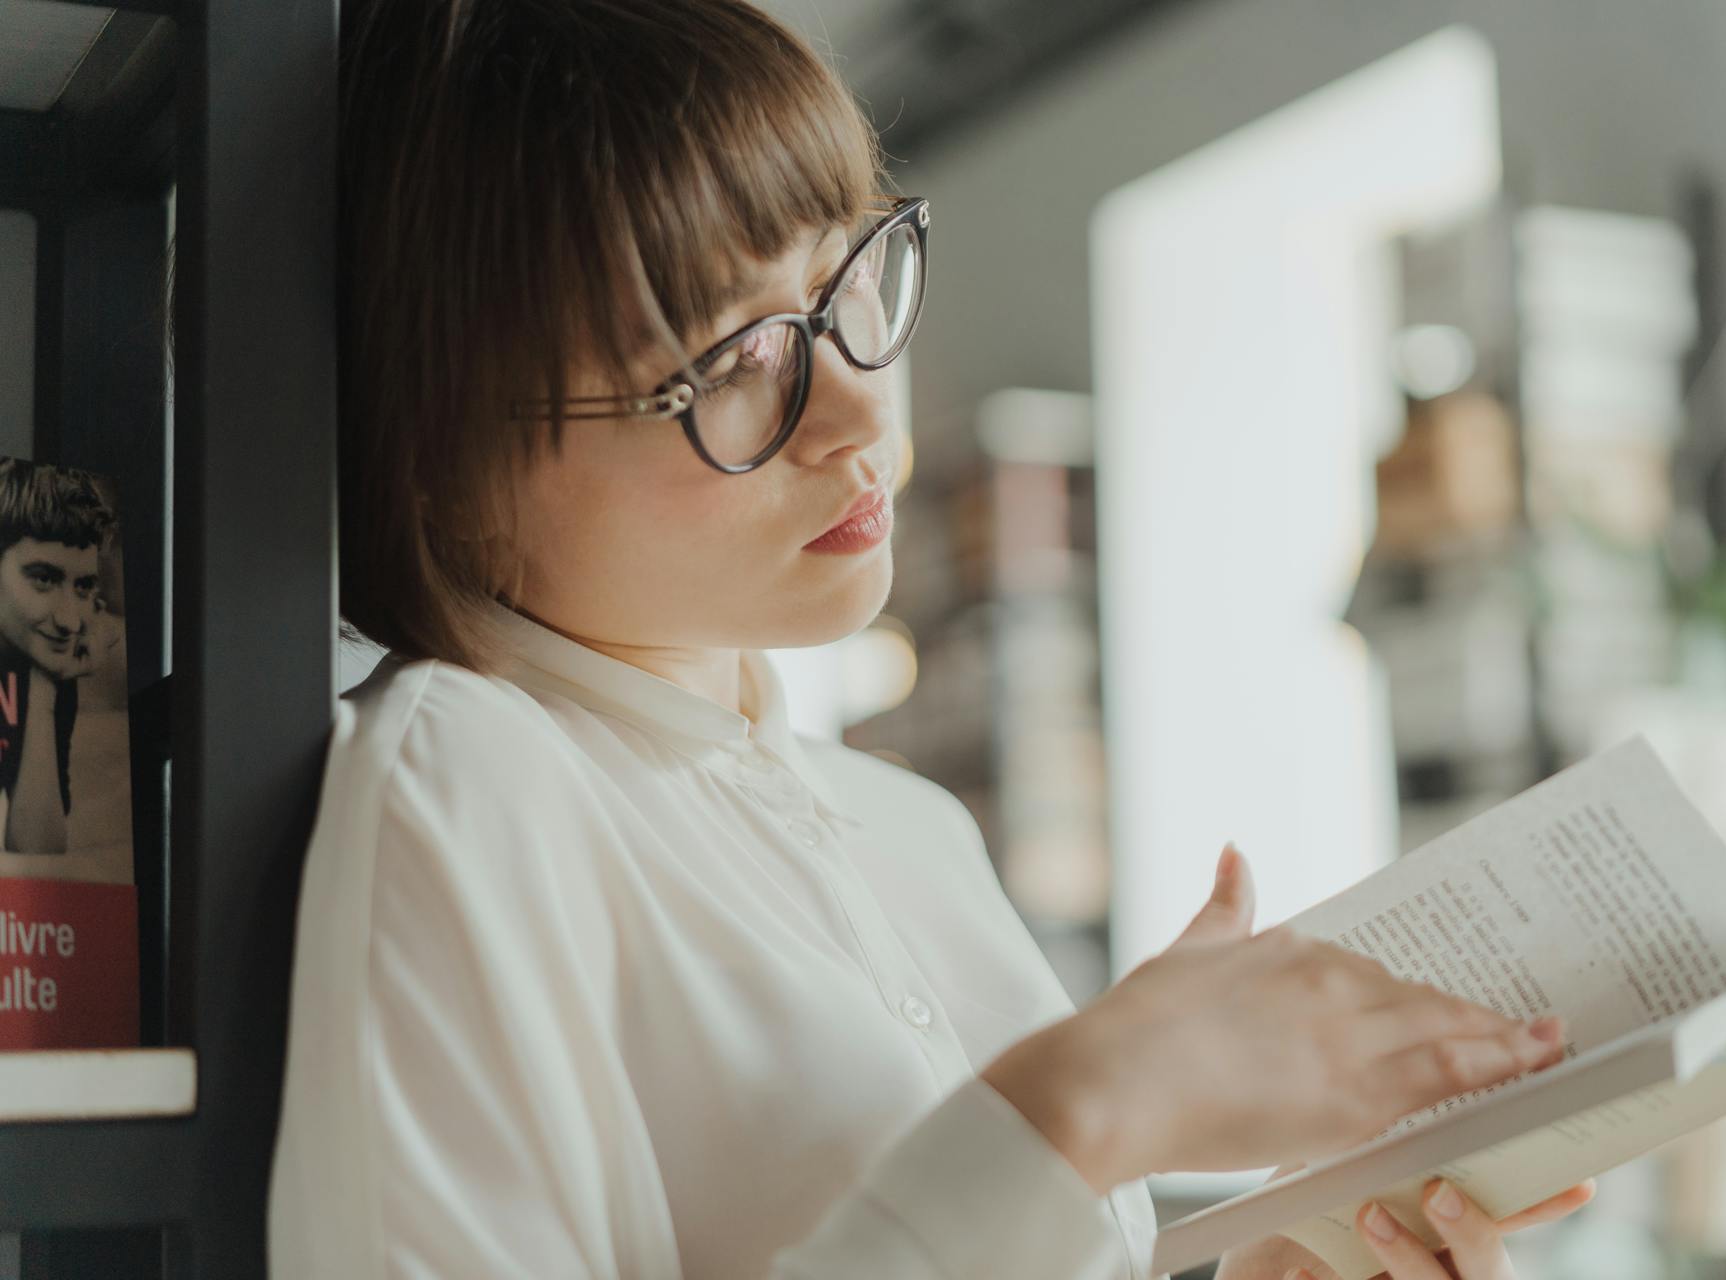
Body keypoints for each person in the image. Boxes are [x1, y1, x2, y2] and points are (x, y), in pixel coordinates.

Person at [266, 2, 1595, 1277]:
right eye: (735, 365)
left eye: (847, 276)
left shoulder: (909, 830)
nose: (855, 413)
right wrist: (1083, 1101)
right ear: (443, 467)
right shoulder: (465, 785)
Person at [0, 459, 115, 855]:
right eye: (44, 579)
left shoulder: (41, 659)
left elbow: (38, 849)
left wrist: (47, 687)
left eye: (82, 586)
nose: (69, 621)